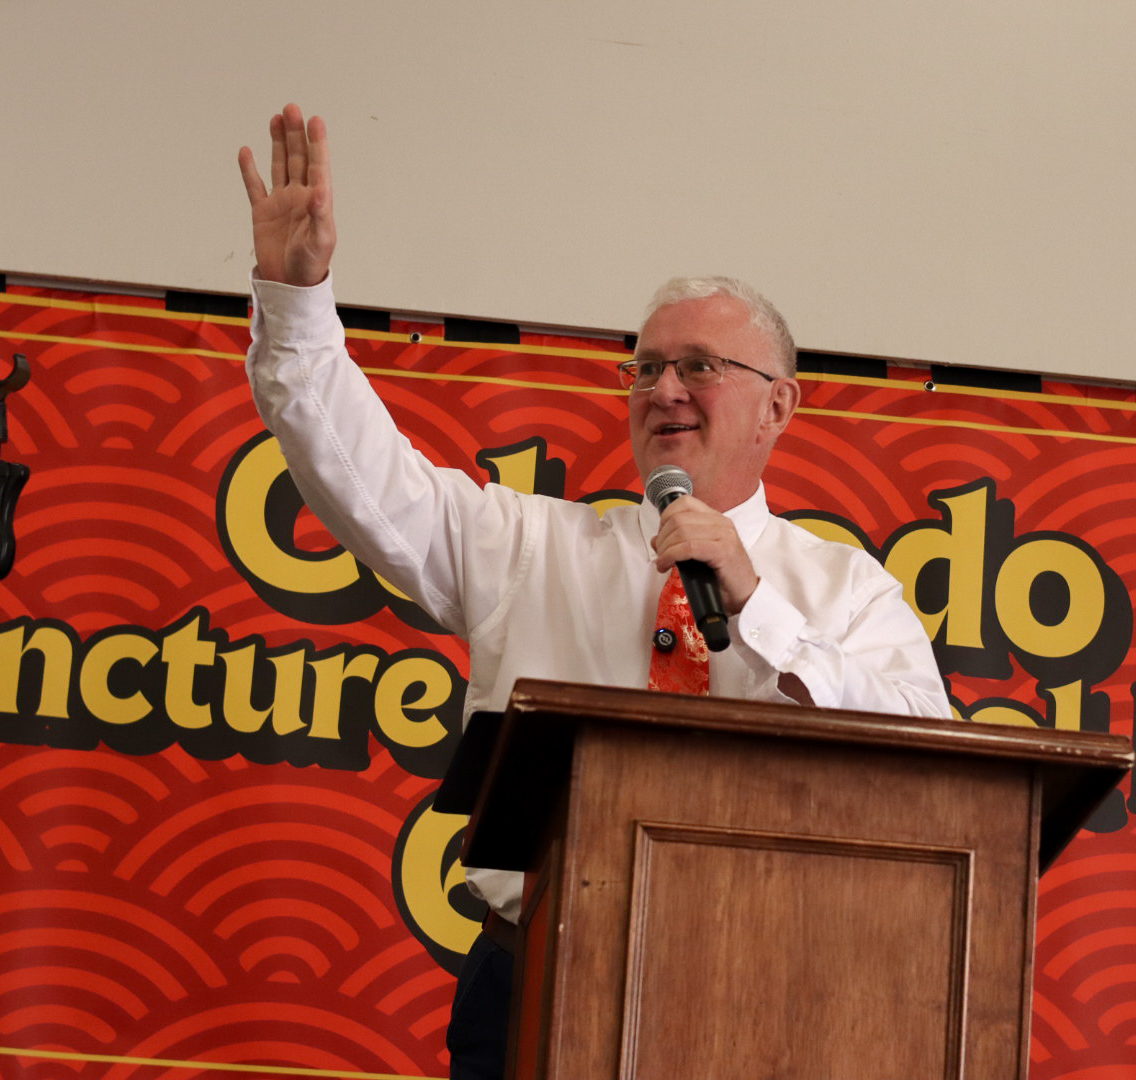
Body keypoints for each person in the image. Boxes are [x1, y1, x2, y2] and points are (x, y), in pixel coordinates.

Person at [239, 103, 950, 1080]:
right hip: (535, 977)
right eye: (646, 367)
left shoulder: (845, 590)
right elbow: (356, 472)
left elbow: (933, 762)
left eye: (699, 366)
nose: (664, 389)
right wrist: (298, 299)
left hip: (771, 991)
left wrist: (757, 606)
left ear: (778, 406)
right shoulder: (532, 546)